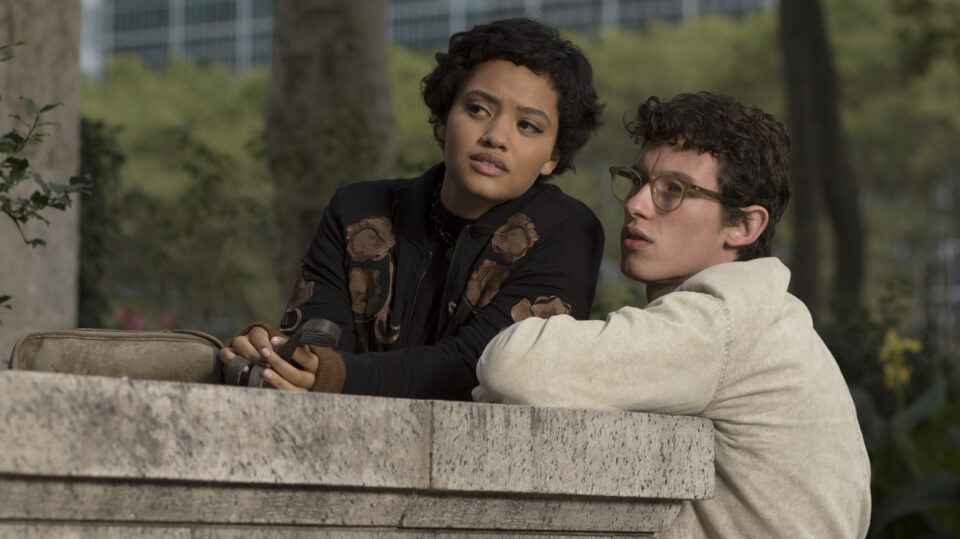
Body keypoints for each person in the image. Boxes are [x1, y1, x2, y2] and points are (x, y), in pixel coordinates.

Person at [474, 92, 871, 538]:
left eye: (673, 191)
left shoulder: (719, 322)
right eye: (638, 180)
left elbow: (516, 367)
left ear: (742, 226)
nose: (636, 205)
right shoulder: (768, 316)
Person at [219, 17, 605, 400]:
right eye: (477, 109)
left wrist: (333, 374)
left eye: (527, 126)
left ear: (553, 156)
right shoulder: (357, 211)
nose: (495, 137)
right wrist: (273, 353)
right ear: (442, 118)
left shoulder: (566, 232)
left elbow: (480, 365)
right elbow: (316, 348)